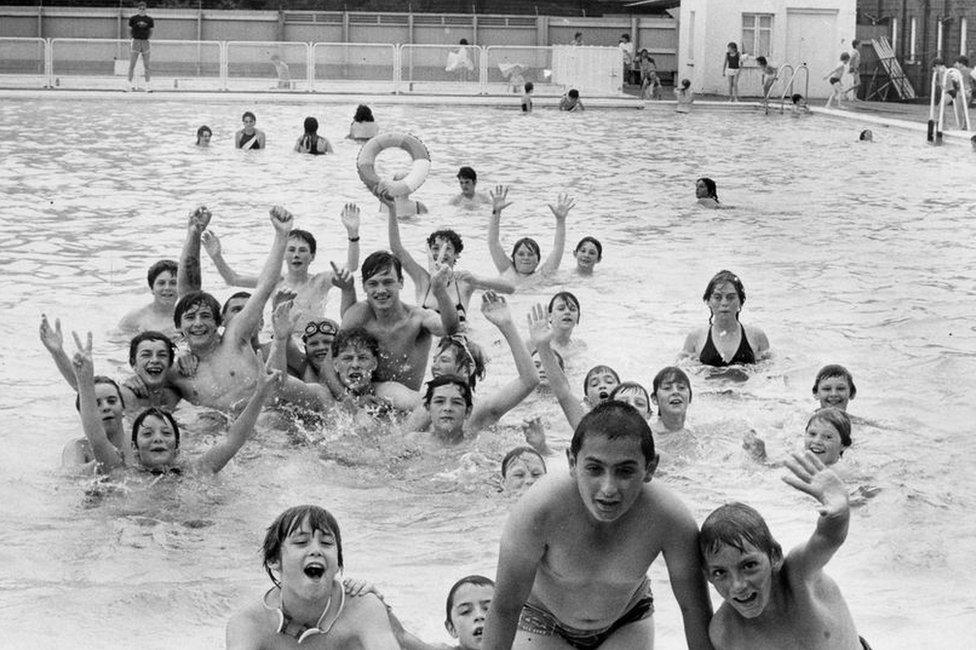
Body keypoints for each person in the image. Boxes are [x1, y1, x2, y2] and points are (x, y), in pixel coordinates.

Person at [481, 401, 713, 649]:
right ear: (572, 462)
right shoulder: (539, 510)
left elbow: (694, 610)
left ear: (650, 467)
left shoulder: (669, 518)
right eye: (594, 469)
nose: (608, 489)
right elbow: (505, 608)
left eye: (625, 471)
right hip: (542, 622)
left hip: (627, 619)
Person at [700, 451, 869, 650]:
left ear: (775, 556)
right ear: (708, 576)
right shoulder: (725, 632)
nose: (738, 585)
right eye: (720, 572)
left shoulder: (799, 573)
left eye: (749, 565)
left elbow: (828, 539)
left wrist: (839, 513)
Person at [173, 205, 333, 412]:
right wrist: (193, 234)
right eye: (190, 318)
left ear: (218, 323)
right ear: (178, 325)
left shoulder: (235, 339)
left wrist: (281, 235)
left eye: (205, 316)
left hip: (273, 420)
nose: (198, 323)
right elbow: (188, 293)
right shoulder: (175, 371)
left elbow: (265, 286)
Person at [72, 331, 278, 476]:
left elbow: (233, 440)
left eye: (166, 433)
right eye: (147, 433)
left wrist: (260, 395)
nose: (158, 439)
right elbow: (97, 437)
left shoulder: (197, 470)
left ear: (178, 448)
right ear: (133, 449)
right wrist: (84, 380)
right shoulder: (118, 472)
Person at [226, 505, 400, 649]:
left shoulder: (363, 608)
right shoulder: (248, 624)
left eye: (326, 543)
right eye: (301, 542)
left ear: (338, 564)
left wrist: (389, 619)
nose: (316, 550)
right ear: (273, 560)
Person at [202, 204, 360, 336]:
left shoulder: (320, 281)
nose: (296, 255)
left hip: (311, 338)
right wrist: (216, 256)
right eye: (291, 250)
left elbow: (350, 267)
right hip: (279, 335)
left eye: (302, 250)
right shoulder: (273, 282)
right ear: (284, 254)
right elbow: (233, 279)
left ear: (312, 256)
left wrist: (353, 234)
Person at [405, 291, 538, 441]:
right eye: (434, 360)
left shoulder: (480, 412)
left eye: (444, 360)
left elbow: (529, 380)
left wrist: (506, 325)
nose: (434, 366)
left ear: (468, 368)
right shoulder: (424, 407)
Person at [384, 192, 514, 325]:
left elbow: (510, 288)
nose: (441, 253)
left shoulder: (464, 281)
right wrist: (392, 209)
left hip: (458, 340)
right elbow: (396, 248)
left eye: (447, 249)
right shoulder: (422, 279)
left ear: (456, 254)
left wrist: (476, 279)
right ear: (429, 251)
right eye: (435, 248)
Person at [340, 250, 460, 390]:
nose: (381, 290)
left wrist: (439, 291)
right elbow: (331, 360)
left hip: (405, 404)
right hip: (366, 400)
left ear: (401, 282)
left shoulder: (417, 319)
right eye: (373, 284)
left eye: (388, 282)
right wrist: (345, 399)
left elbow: (450, 328)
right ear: (364, 287)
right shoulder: (360, 314)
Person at [42, 316, 183, 416]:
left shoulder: (173, 396)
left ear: (170, 363)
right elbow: (84, 389)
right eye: (146, 354)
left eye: (162, 355)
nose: (155, 360)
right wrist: (58, 352)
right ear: (134, 364)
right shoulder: (124, 395)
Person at [683, 270, 770, 368]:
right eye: (717, 297)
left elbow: (770, 373)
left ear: (740, 302)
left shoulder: (757, 336)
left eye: (730, 297)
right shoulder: (695, 337)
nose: (724, 303)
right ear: (708, 301)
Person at [487, 185, 574, 283]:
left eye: (530, 254)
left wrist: (561, 221)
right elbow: (493, 243)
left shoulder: (543, 275)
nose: (526, 258)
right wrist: (496, 212)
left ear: (538, 259)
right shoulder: (507, 271)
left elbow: (558, 247)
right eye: (521, 254)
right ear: (513, 258)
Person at [328, 328, 420, 414]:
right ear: (336, 365)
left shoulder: (386, 391)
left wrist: (409, 431)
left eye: (362, 358)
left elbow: (425, 404)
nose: (355, 365)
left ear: (374, 364)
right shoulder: (327, 396)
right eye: (347, 358)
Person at [117, 259, 179, 335]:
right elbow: (116, 341)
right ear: (152, 288)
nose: (167, 288)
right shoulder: (135, 318)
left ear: (181, 288)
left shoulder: (186, 317)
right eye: (161, 283)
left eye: (173, 283)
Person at [651, 366, 692, 436]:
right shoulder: (648, 435)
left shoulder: (701, 431)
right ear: (655, 399)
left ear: (690, 397)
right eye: (667, 388)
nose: (675, 392)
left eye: (681, 388)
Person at [127, 2, 153, 92]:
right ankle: (128, 85)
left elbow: (151, 31)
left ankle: (147, 86)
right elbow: (130, 30)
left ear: (146, 9)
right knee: (132, 64)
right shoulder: (133, 18)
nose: (142, 10)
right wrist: (133, 39)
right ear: (138, 9)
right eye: (140, 8)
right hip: (136, 41)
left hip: (145, 42)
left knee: (147, 65)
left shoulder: (150, 19)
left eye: (143, 8)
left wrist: (146, 39)